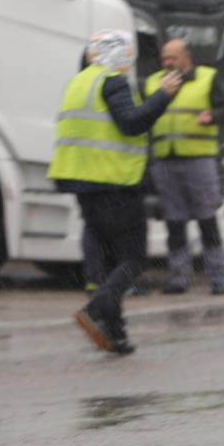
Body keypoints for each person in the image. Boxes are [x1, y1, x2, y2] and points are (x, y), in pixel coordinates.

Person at [49, 30, 182, 354]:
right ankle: (98, 309)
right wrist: (162, 96)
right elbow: (132, 122)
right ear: (120, 55)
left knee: (110, 262)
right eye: (128, 55)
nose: (129, 62)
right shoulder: (111, 81)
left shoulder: (78, 82)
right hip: (115, 183)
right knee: (134, 260)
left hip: (83, 183)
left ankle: (114, 332)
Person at [144, 39, 224, 295]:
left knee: (207, 219)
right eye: (164, 58)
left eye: (172, 58)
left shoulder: (208, 78)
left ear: (187, 57)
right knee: (174, 221)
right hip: (165, 162)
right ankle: (179, 277)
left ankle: (218, 277)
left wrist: (212, 116)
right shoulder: (153, 83)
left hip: (199, 160)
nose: (168, 63)